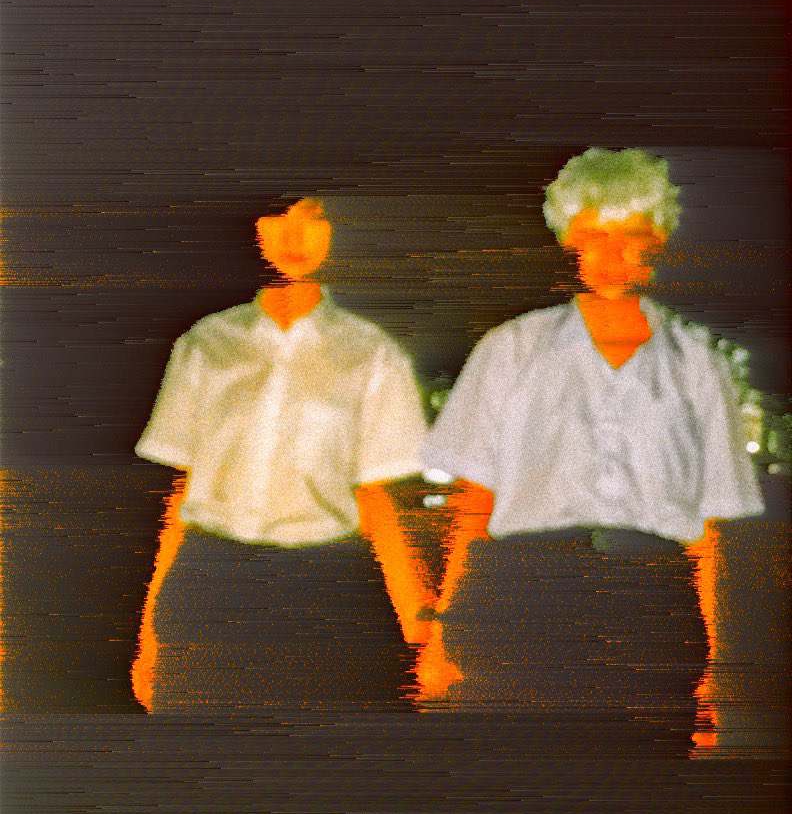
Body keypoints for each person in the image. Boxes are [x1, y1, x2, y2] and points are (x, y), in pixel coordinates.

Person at [416, 148, 764, 740]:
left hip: (653, 605)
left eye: (630, 236)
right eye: (594, 237)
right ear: (570, 241)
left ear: (658, 241)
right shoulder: (511, 348)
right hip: (522, 597)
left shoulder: (698, 364)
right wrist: (440, 634)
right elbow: (475, 500)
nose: (611, 256)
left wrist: (717, 661)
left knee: (641, 777)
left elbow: (708, 531)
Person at [132, 196, 428, 711]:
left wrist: (422, 634)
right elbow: (181, 494)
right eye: (278, 217)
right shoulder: (205, 343)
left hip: (327, 585)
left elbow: (379, 502)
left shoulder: (372, 352)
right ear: (252, 228)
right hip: (209, 579)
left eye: (313, 217)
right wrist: (148, 629)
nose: (294, 238)